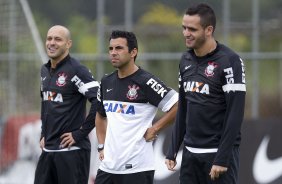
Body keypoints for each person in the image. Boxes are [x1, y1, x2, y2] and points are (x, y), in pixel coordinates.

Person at [165, 3, 246, 184]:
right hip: (190, 155)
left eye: (192, 29)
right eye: (184, 28)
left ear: (209, 30)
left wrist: (222, 157)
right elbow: (183, 106)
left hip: (217, 156)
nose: (186, 33)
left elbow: (236, 112)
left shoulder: (230, 61)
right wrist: (173, 149)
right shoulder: (185, 60)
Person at [95, 30, 178, 184]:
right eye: (111, 48)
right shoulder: (106, 81)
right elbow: (100, 115)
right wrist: (101, 146)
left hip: (137, 169)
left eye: (119, 48)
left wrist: (155, 129)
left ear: (133, 52)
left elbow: (178, 105)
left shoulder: (146, 81)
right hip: (108, 167)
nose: (113, 53)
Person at [34, 25, 99, 184]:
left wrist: (80, 133)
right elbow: (46, 104)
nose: (52, 43)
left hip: (72, 152)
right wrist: (44, 133)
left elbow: (99, 100)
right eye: (49, 38)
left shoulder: (77, 70)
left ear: (68, 44)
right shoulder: (45, 70)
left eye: (58, 39)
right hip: (48, 150)